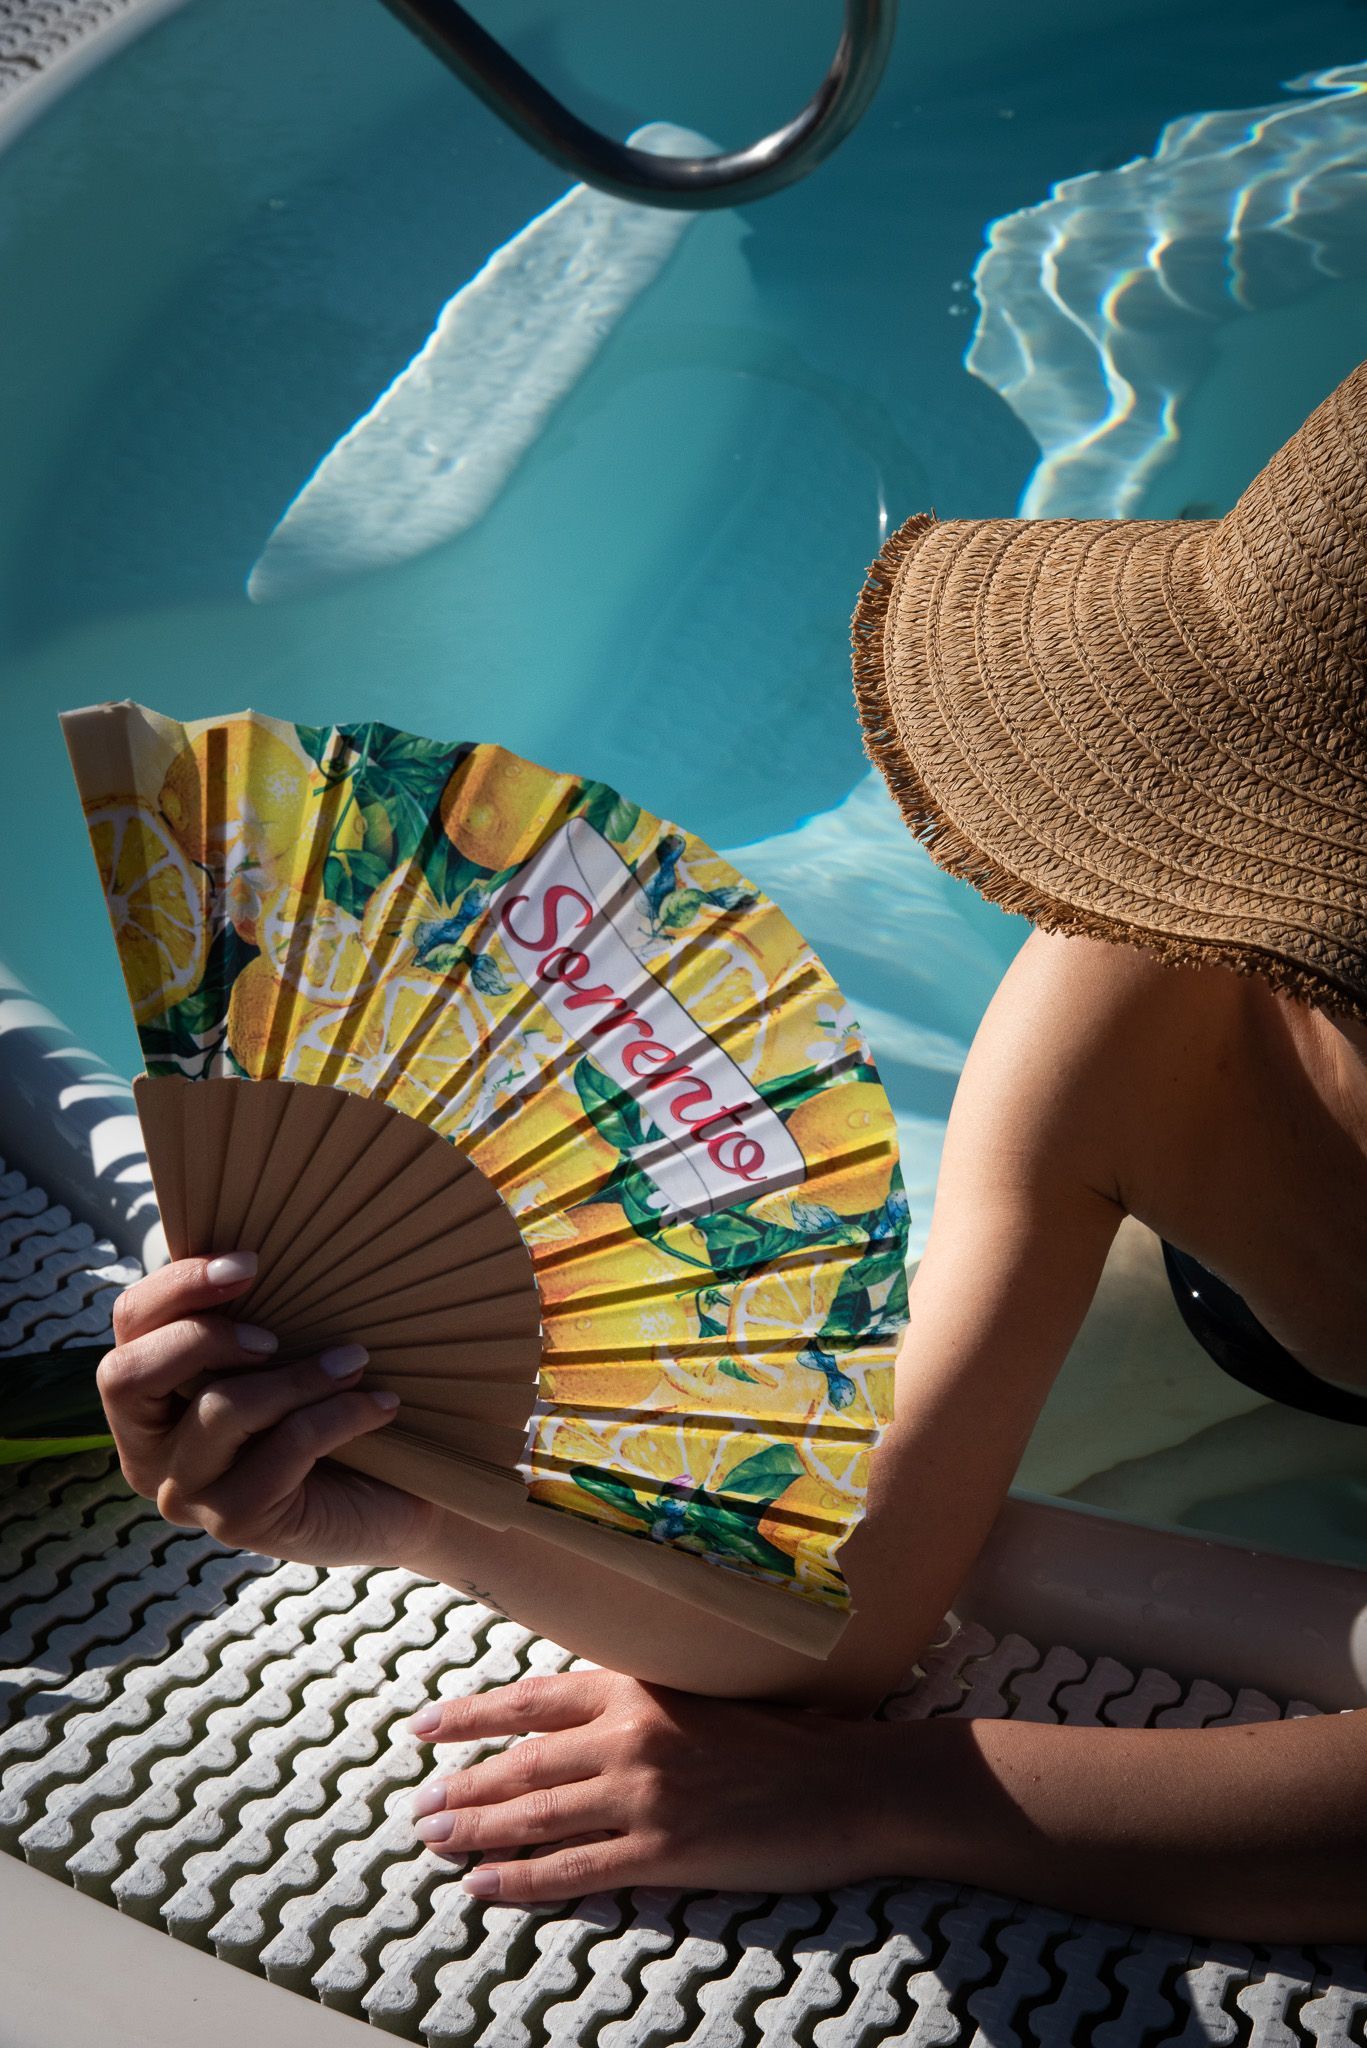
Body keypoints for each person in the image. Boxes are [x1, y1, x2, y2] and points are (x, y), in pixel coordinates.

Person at [96, 361, 1367, 1942]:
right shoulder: (1140, 1004)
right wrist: (405, 1512)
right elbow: (851, 1602)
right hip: (1213, 1312)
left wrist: (881, 1795)